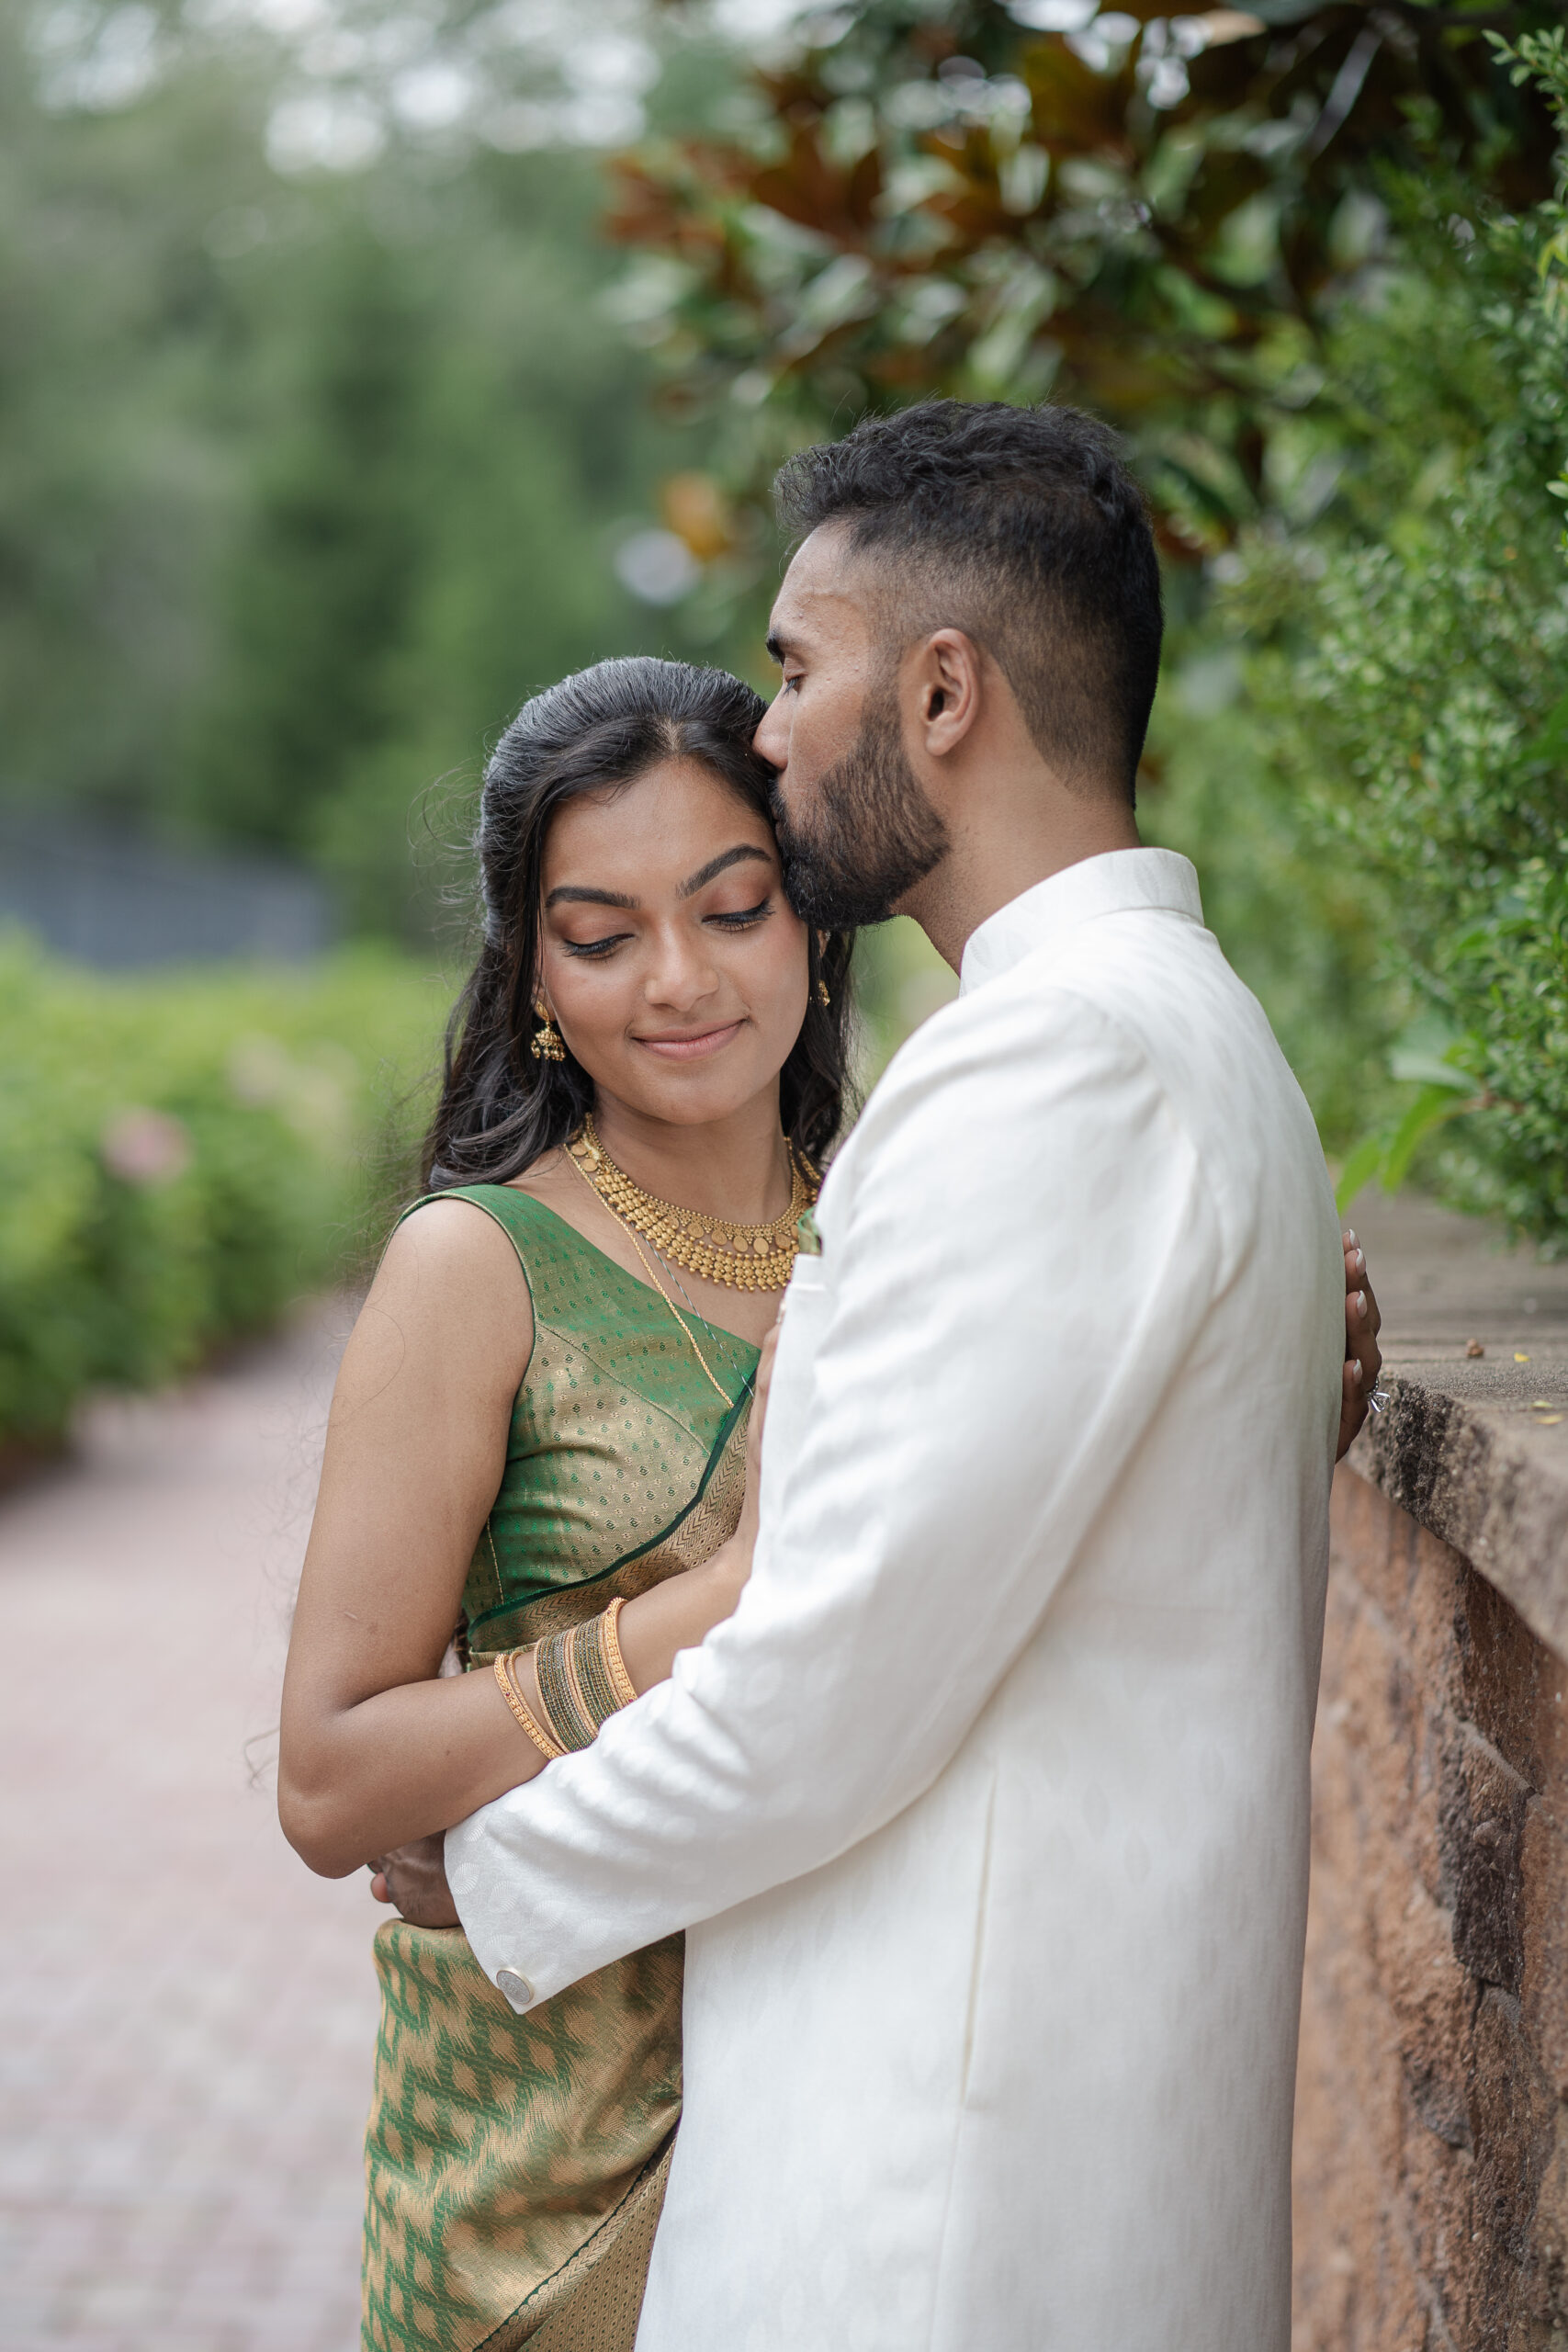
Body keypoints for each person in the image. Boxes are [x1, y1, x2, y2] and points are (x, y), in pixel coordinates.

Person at [435, 400, 1386, 2352]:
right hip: (1006, 2143)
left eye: (799, 666)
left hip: (931, 2202)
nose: (765, 729)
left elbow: (832, 1669)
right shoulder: (1158, 1034)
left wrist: (493, 1859)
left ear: (940, 689)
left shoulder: (1059, 1066)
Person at [277, 656, 858, 2348]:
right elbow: (328, 1781)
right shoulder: (478, 1267)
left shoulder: (904, 1231)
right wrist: (709, 1606)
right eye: (599, 938)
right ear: (532, 975)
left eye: (732, 908)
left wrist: (1265, 1403)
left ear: (813, 928)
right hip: (542, 2177)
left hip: (844, 2096)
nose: (676, 982)